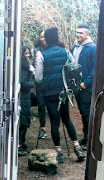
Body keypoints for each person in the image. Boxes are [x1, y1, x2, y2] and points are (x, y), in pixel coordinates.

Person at [35, 26, 85, 162]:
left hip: (49, 93)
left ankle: (59, 152)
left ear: (46, 40)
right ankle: (77, 148)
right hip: (63, 91)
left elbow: (38, 78)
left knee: (54, 121)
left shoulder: (42, 55)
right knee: (66, 119)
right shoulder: (65, 52)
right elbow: (74, 68)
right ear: (57, 38)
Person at [71, 23, 96, 148]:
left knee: (87, 113)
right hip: (77, 86)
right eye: (77, 32)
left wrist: (86, 83)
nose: (78, 34)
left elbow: (95, 67)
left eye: (81, 33)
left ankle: (90, 141)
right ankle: (86, 137)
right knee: (82, 112)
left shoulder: (92, 48)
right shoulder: (74, 47)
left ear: (87, 34)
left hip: (86, 87)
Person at [18, 45, 35, 157]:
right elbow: (23, 83)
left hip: (22, 97)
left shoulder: (22, 65)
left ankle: (22, 143)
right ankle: (18, 145)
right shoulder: (23, 68)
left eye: (29, 53)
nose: (28, 55)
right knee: (23, 122)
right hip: (23, 98)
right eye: (25, 53)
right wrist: (32, 84)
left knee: (22, 121)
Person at [33, 29, 48, 139]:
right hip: (39, 82)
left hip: (50, 81)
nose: (43, 39)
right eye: (42, 37)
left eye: (45, 36)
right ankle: (43, 128)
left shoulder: (52, 48)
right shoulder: (35, 50)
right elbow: (30, 63)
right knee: (41, 105)